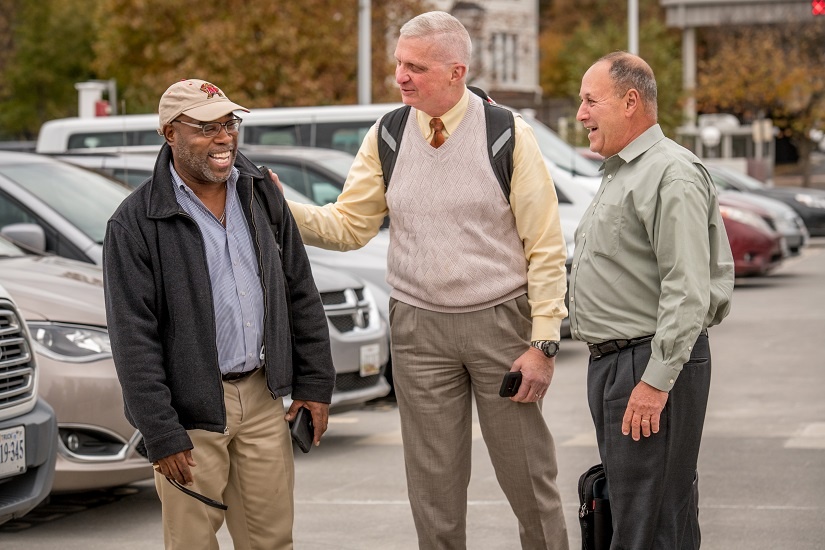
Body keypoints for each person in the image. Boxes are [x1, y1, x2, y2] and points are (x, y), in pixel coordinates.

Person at [280, 11, 569, 550]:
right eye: (398, 64)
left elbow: (546, 247)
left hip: (501, 326)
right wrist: (281, 208)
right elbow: (348, 226)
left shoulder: (507, 134)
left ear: (456, 71)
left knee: (529, 478)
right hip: (417, 330)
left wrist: (544, 341)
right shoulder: (387, 134)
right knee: (432, 490)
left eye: (416, 67)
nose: (401, 78)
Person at [103, 78, 335, 550]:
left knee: (272, 541)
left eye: (229, 123)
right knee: (192, 543)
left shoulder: (261, 194)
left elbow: (300, 291)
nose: (224, 136)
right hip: (190, 412)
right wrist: (161, 430)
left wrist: (314, 384)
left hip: (263, 397)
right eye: (205, 127)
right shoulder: (134, 223)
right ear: (170, 133)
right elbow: (133, 339)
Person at [570, 52, 735, 549]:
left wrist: (655, 383)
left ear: (630, 102)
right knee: (637, 511)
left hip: (649, 363)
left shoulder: (669, 174)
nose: (581, 113)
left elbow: (687, 292)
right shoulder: (621, 172)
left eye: (589, 100)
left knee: (650, 520)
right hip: (617, 364)